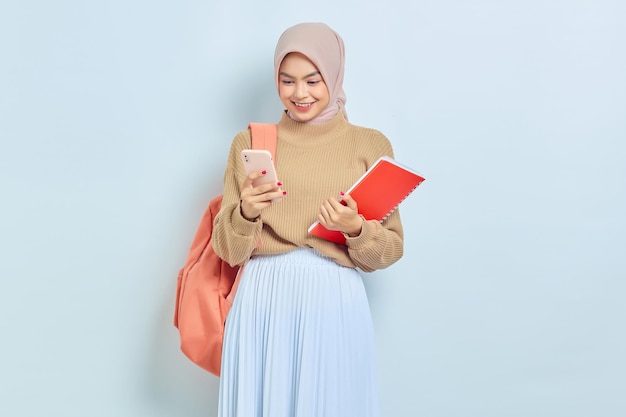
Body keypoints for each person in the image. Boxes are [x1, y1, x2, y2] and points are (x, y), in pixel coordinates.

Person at [212, 22, 404, 417]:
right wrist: (247, 213)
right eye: (288, 80)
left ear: (333, 76)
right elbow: (228, 251)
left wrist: (356, 228)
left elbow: (390, 250)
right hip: (262, 300)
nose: (300, 94)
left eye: (313, 80)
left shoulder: (370, 145)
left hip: (334, 300)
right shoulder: (249, 143)